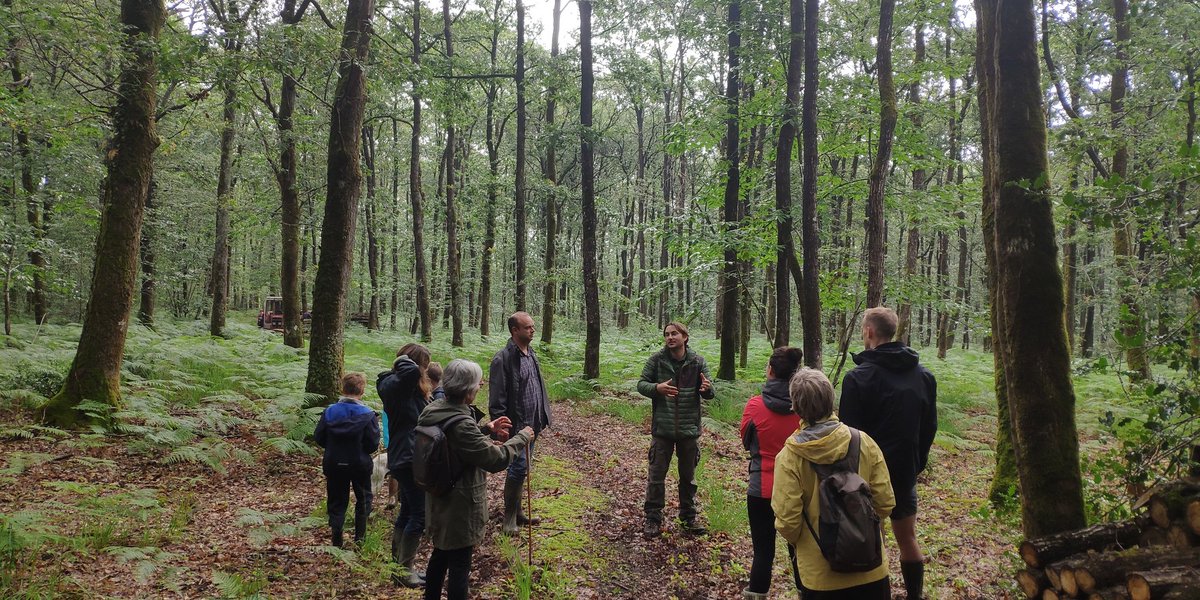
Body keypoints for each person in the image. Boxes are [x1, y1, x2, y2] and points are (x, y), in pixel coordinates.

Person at [837, 306, 937, 600]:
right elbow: (929, 426)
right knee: (908, 538)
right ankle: (913, 596)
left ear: (868, 331)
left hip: (865, 476)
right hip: (905, 469)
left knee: (874, 540)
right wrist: (916, 463)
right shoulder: (924, 376)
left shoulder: (857, 378)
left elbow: (848, 434)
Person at [772, 368, 895, 599]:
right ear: (831, 399)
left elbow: (788, 522)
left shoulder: (790, 457)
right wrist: (857, 527)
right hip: (871, 569)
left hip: (820, 577)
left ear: (795, 406)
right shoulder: (864, 442)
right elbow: (885, 502)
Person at [421, 359, 533, 600]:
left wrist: (485, 429)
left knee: (440, 554)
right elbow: (496, 459)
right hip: (459, 503)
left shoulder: (434, 409)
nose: (480, 387)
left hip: (438, 496)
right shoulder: (461, 423)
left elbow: (453, 443)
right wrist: (521, 438)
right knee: (460, 564)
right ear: (468, 390)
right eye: (478, 384)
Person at [636, 321, 715, 538]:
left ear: (685, 337)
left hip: (689, 431)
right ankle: (652, 519)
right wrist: (657, 388)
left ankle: (688, 519)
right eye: (667, 334)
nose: (670, 337)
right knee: (656, 476)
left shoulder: (698, 362)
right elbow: (641, 384)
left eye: (675, 334)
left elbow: (709, 391)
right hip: (662, 430)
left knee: (688, 478)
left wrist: (707, 389)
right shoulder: (657, 360)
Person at [739, 346, 804, 599]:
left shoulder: (755, 405)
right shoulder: (805, 407)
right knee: (800, 550)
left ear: (770, 371)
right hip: (798, 489)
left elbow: (746, 441)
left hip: (762, 488)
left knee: (763, 552)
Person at [488, 311, 553, 535]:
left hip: (533, 424)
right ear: (515, 330)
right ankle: (508, 519)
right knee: (517, 470)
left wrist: (542, 417)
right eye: (528, 327)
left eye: (533, 326)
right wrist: (501, 427)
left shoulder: (530, 353)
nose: (533, 330)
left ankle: (518, 512)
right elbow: (497, 398)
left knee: (523, 469)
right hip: (516, 426)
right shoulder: (503, 359)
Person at [377, 343, 433, 587]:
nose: (425, 372)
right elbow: (409, 372)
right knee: (419, 514)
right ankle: (404, 570)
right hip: (408, 457)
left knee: (408, 511)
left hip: (407, 455)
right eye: (425, 366)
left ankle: (398, 567)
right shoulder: (396, 385)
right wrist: (406, 361)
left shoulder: (403, 388)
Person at [314, 372, 381, 547]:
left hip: (334, 462)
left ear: (342, 389)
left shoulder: (329, 412)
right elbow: (373, 444)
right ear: (362, 390)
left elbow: (319, 437)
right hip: (359, 463)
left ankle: (337, 537)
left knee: (336, 499)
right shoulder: (368, 415)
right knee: (364, 498)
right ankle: (360, 538)